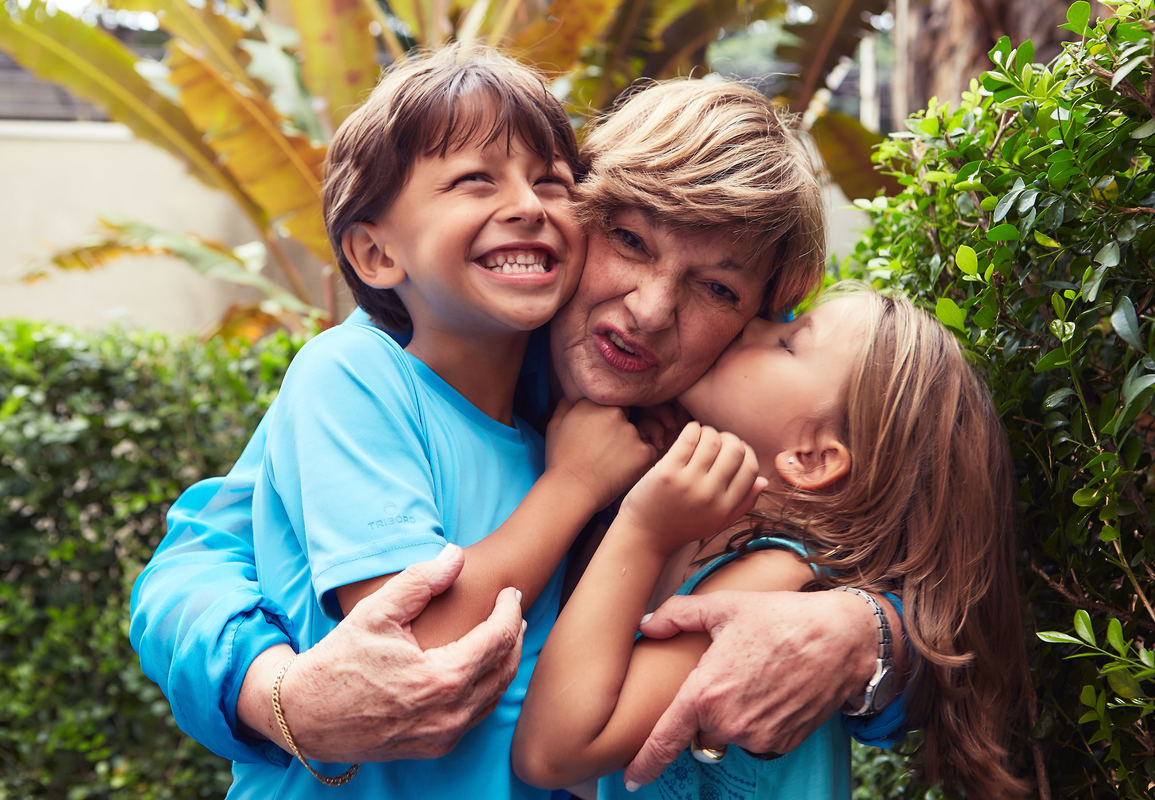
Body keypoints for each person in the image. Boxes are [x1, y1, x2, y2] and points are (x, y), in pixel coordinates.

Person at [129, 70, 909, 788]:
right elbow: (194, 569)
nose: (650, 309)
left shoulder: (734, 427)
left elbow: (940, 539)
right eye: (629, 241)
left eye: (715, 291)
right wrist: (272, 691)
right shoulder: (400, 371)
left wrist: (870, 634)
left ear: (755, 322)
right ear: (580, 213)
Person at [222, 45, 658, 798]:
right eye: (474, 181)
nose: (529, 204)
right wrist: (573, 487)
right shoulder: (351, 375)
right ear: (375, 251)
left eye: (552, 181)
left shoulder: (548, 433)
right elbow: (416, 644)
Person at [513, 284, 1028, 799]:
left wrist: (642, 530)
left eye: (788, 342)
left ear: (811, 459)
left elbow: (554, 754)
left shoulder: (771, 582)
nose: (753, 325)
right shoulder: (713, 538)